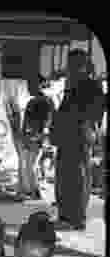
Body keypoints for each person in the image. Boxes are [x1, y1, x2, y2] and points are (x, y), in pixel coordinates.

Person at [51, 49, 106, 230]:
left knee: (76, 178)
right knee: (64, 178)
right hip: (68, 137)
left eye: (72, 64)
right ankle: (66, 216)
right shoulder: (73, 84)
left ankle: (75, 219)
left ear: (81, 65)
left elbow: (94, 112)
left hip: (78, 137)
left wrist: (84, 126)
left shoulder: (91, 85)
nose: (69, 68)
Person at [22, 75, 56, 199]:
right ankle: (32, 190)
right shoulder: (33, 101)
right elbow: (26, 121)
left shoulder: (45, 101)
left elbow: (49, 121)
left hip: (37, 137)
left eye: (31, 84)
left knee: (31, 165)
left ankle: (35, 191)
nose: (29, 87)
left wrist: (42, 136)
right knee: (30, 165)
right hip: (31, 136)